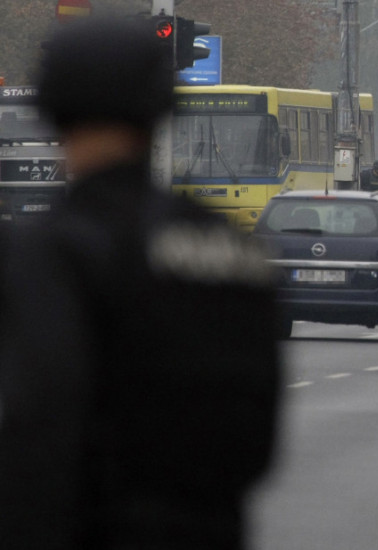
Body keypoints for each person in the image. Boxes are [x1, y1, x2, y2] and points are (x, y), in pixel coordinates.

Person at [0, 18, 281, 549]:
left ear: (52, 113)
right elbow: (255, 441)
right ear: (163, 108)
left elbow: (43, 423)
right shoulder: (234, 247)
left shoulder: (59, 248)